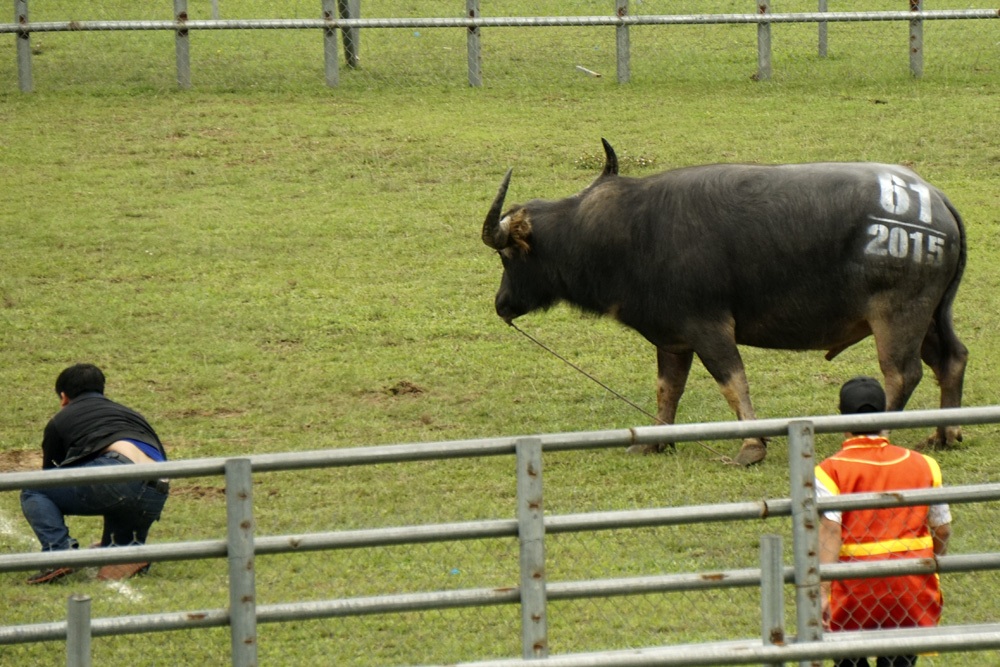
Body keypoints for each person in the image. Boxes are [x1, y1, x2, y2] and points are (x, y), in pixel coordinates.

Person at [815, 376, 952, 667]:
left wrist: (822, 592)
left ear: (843, 419)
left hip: (853, 596)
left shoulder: (828, 471)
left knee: (849, 661)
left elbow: (830, 531)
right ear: (884, 415)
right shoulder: (924, 465)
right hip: (909, 590)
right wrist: (929, 562)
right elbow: (942, 527)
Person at [21, 363, 169, 584]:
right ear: (102, 390)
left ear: (63, 397)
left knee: (34, 488)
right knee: (111, 565)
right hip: (157, 487)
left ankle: (58, 552)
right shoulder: (131, 415)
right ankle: (128, 554)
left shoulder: (60, 420)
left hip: (117, 476)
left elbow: (51, 476)